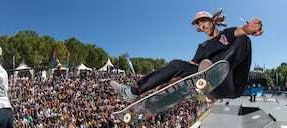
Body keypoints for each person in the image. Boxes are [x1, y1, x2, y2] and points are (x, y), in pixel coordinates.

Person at [110, 8, 263, 102]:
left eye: (204, 21)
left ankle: (215, 72)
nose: (202, 26)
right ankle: (133, 91)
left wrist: (249, 28)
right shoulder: (202, 47)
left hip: (234, 81)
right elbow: (188, 70)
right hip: (217, 87)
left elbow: (240, 31)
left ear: (212, 21)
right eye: (199, 24)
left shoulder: (227, 34)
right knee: (177, 64)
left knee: (243, 39)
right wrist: (164, 84)